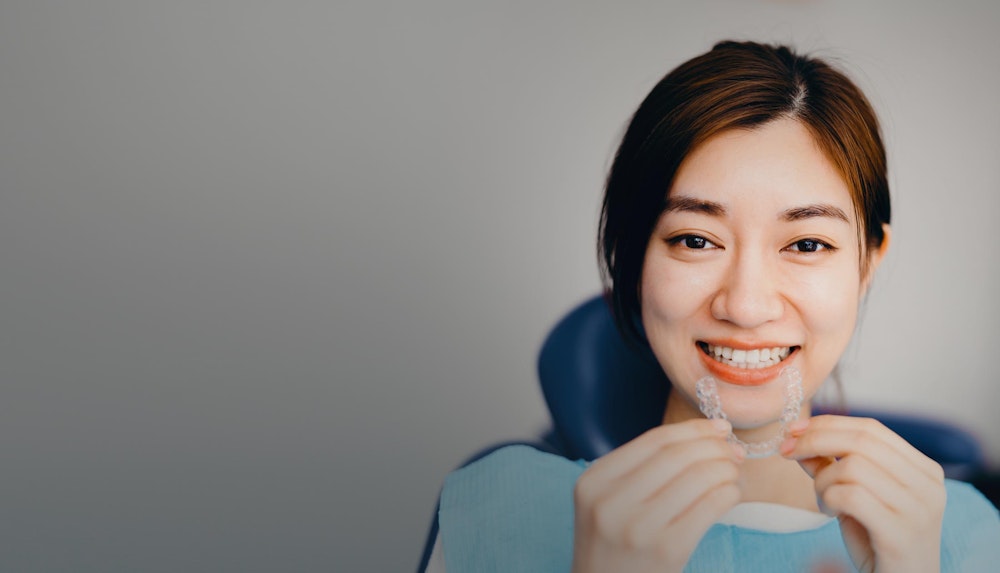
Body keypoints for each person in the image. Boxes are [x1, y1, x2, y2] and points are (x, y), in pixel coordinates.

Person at [426, 40, 1000, 572]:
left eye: (806, 244)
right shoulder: (495, 512)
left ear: (869, 262)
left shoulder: (970, 534)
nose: (746, 306)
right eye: (696, 240)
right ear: (633, 259)